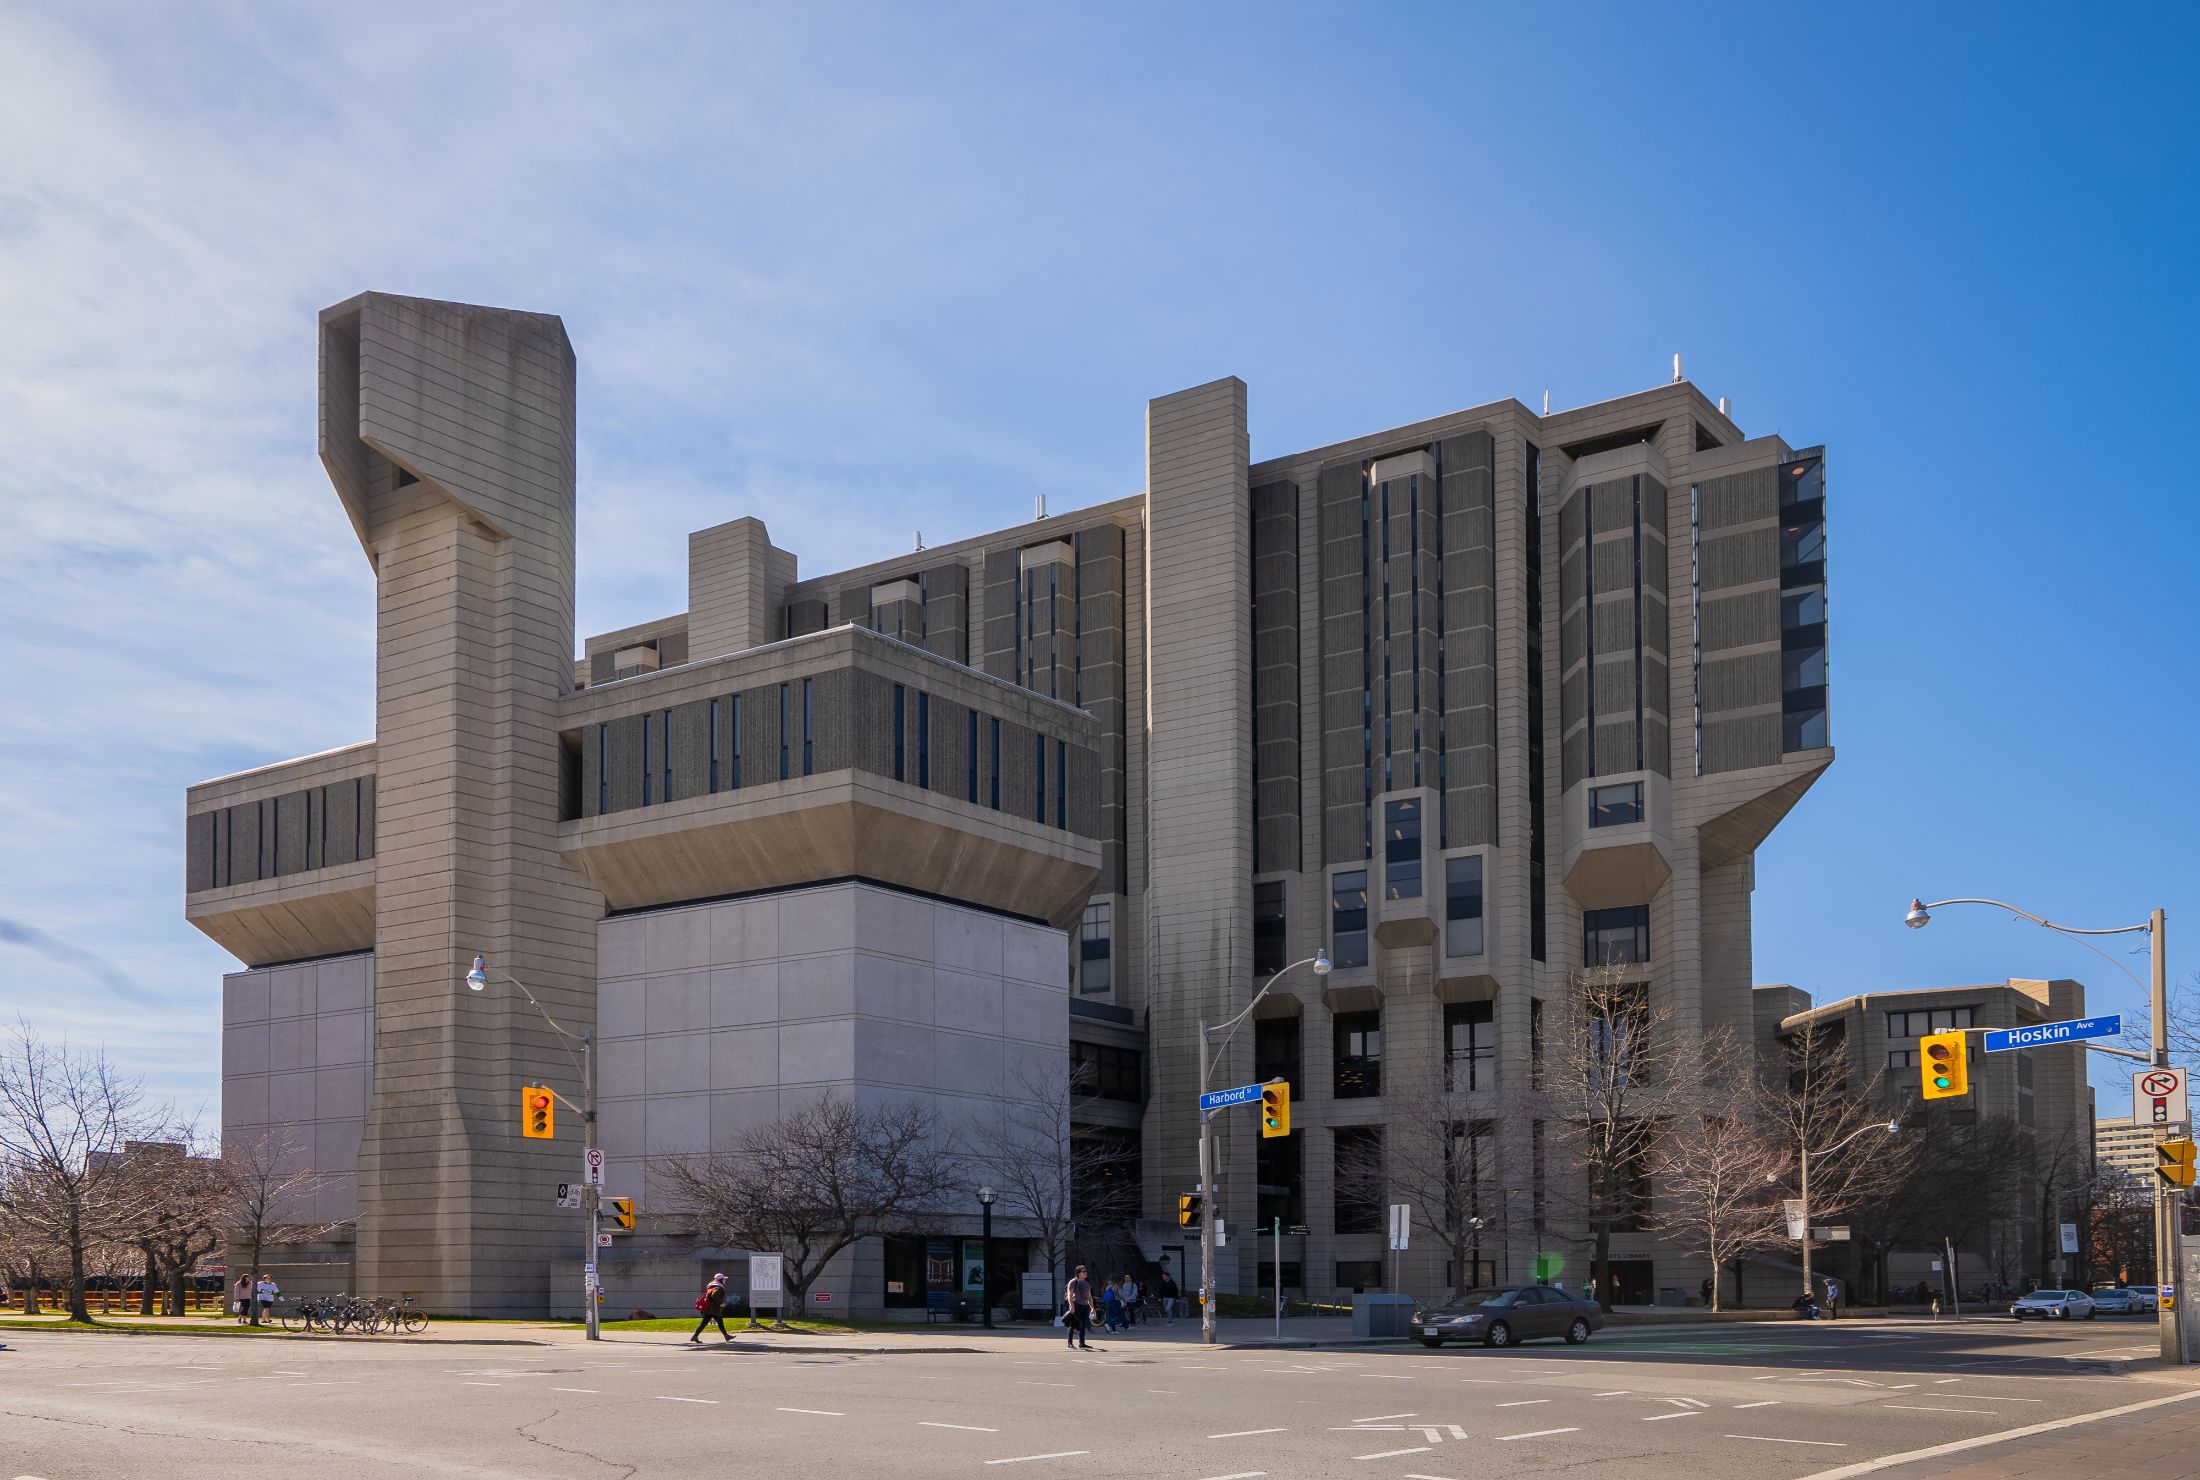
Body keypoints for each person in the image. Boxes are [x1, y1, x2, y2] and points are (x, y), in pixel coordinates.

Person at [690, 1272, 733, 1343]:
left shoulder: (711, 1286)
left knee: (706, 1323)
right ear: (720, 1280)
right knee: (718, 1322)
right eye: (723, 1279)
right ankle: (726, 1336)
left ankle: (695, 1336)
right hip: (714, 1310)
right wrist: (720, 1303)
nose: (724, 1280)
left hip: (709, 1309)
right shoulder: (719, 1288)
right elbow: (714, 1296)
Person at [1064, 1265, 1095, 1349]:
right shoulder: (1073, 1282)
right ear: (1078, 1273)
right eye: (1083, 1271)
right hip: (1076, 1305)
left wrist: (1092, 1308)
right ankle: (1070, 1343)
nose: (1085, 1273)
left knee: (1083, 1325)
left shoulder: (1086, 1283)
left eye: (1085, 1271)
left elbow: (1090, 1297)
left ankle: (1082, 1343)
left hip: (1084, 1306)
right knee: (1073, 1324)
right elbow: (1070, 1295)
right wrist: (1072, 1306)